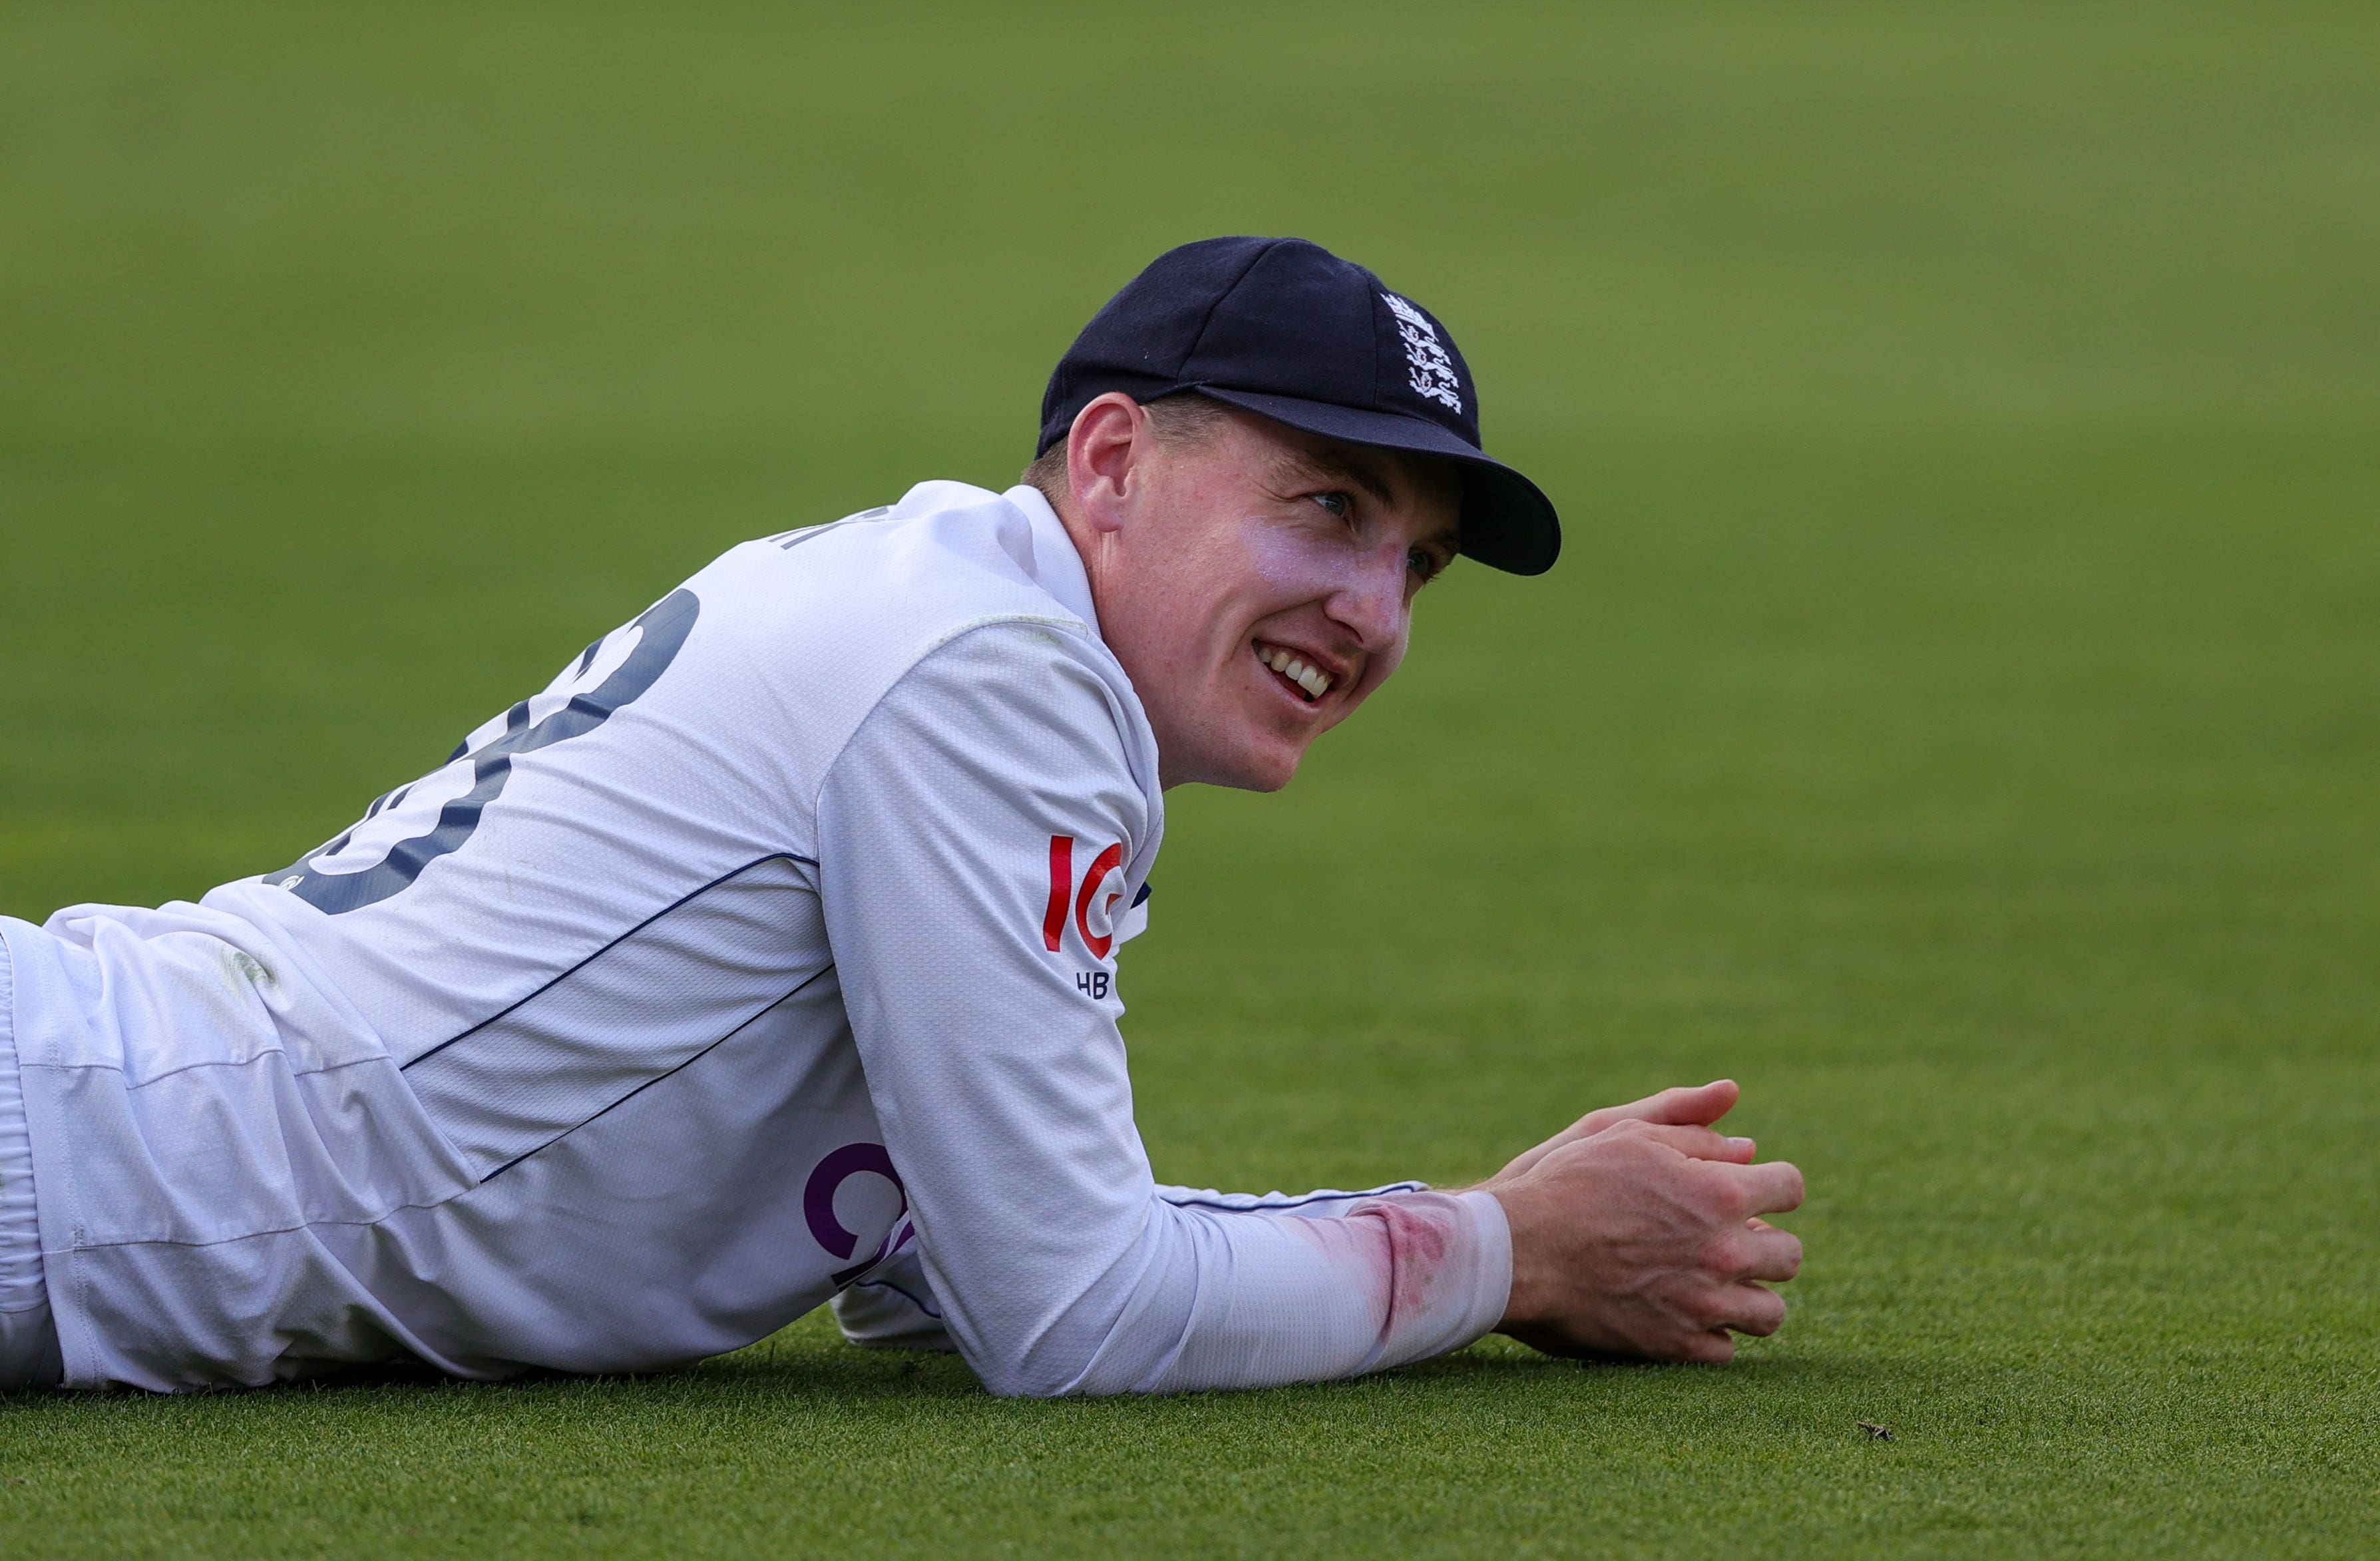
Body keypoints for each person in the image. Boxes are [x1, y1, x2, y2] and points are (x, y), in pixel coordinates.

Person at [0, 236, 1802, 1395]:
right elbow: (1076, 1314)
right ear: (1109, 466)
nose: (1376, 610)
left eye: (1413, 563)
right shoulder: (988, 678)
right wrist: (1506, 1250)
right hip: (61, 1152)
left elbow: (960, 1263)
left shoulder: (963, 621)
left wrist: (1484, 1226)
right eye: (1326, 508)